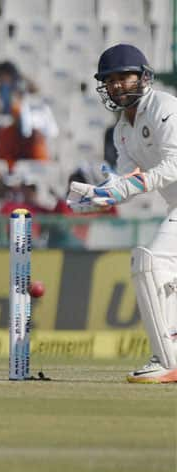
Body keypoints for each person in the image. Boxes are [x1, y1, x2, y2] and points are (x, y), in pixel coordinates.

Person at [67, 44, 177, 383]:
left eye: (123, 77)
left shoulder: (165, 107)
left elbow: (174, 164)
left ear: (143, 76)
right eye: (109, 80)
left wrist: (126, 186)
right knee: (163, 274)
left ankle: (167, 360)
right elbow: (126, 184)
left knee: (149, 262)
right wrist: (101, 197)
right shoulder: (122, 131)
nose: (116, 86)